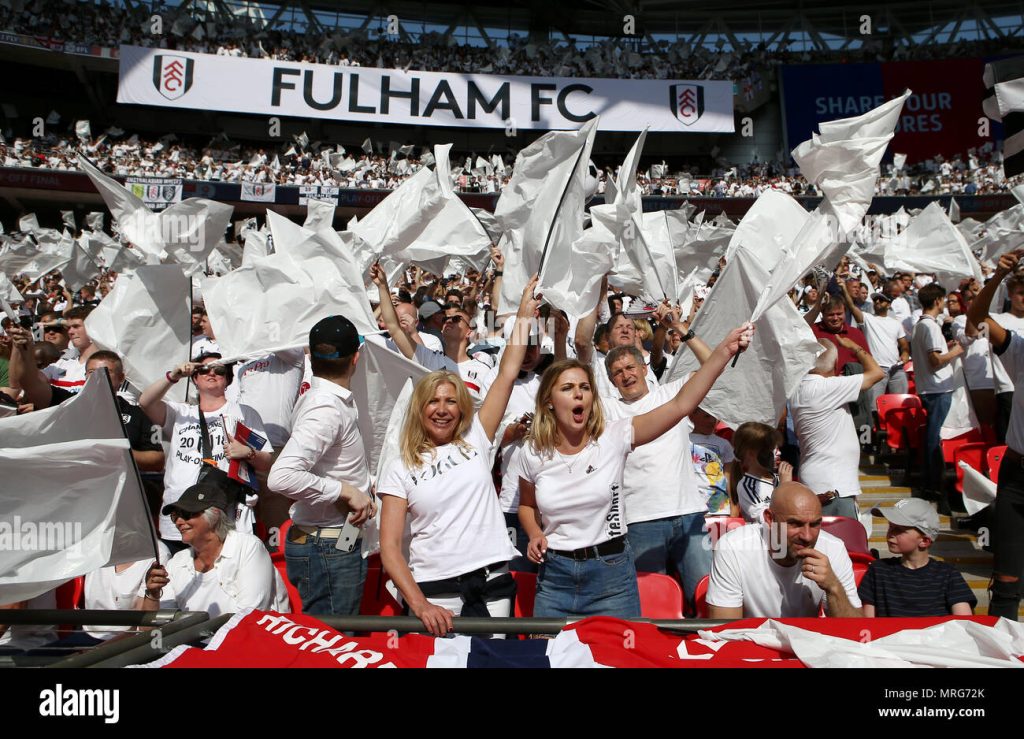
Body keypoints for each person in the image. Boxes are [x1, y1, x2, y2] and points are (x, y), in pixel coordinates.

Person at [517, 323, 754, 619]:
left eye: (585, 388)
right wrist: (535, 532)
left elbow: (683, 404)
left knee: (697, 603)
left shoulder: (613, 434)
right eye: (568, 388)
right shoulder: (534, 451)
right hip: (558, 574)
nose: (578, 394)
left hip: (614, 567)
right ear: (549, 401)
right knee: (550, 656)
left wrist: (725, 348)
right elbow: (526, 504)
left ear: (644, 368)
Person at [376, 276, 540, 636]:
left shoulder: (478, 437)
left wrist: (525, 314)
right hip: (436, 598)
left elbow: (508, 372)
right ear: (419, 409)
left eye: (451, 401)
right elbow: (389, 549)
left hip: (493, 587)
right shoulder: (399, 466)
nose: (442, 409)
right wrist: (419, 604)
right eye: (433, 401)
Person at [266, 315, 376, 616]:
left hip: (332, 538)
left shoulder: (324, 400)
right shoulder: (325, 406)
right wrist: (346, 491)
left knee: (334, 639)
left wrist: (362, 484)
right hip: (327, 543)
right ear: (356, 357)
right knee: (331, 644)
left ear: (311, 358)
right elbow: (282, 477)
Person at [601, 342, 714, 607]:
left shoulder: (671, 393)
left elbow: (713, 366)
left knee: (708, 599)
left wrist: (684, 331)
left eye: (630, 367)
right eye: (618, 372)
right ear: (611, 380)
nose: (626, 375)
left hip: (689, 514)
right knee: (651, 607)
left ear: (644, 368)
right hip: (640, 521)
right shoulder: (606, 409)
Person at [140, 351, 274, 551]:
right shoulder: (181, 412)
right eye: (203, 370)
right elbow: (145, 402)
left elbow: (266, 461)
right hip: (179, 513)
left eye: (219, 370)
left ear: (228, 379)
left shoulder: (244, 413)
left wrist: (247, 452)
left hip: (222, 514)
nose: (211, 373)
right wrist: (174, 375)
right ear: (194, 378)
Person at [966, 251, 1024, 619]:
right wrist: (997, 277)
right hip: (1017, 477)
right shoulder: (1019, 349)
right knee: (1006, 581)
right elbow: (977, 319)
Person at [707, 482, 863, 618]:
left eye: (815, 524)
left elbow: (857, 632)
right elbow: (725, 633)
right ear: (769, 519)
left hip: (807, 648)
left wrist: (833, 587)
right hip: (750, 647)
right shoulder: (733, 547)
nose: (807, 536)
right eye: (795, 524)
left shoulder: (833, 548)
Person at [141, 483, 290, 617]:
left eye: (187, 514)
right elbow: (154, 629)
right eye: (175, 516)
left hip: (246, 642)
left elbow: (250, 615)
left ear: (214, 515)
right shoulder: (177, 562)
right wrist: (153, 595)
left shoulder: (247, 546)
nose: (179, 522)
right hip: (192, 644)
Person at [789, 338, 884, 518]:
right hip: (833, 485)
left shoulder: (798, 388)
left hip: (822, 480)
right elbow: (877, 373)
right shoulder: (827, 387)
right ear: (835, 362)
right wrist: (854, 347)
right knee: (843, 543)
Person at [859, 499, 975, 617]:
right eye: (890, 526)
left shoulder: (947, 574)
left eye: (899, 529)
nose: (891, 533)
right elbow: (868, 624)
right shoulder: (878, 570)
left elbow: (964, 624)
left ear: (924, 541)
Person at [911, 283, 964, 498]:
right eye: (943, 300)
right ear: (937, 301)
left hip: (931, 388)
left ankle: (931, 481)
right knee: (935, 438)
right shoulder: (930, 326)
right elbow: (935, 360)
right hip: (938, 388)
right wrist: (957, 350)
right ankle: (932, 483)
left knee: (934, 436)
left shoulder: (920, 325)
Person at [730, 421, 791, 522]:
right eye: (772, 449)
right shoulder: (747, 486)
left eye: (778, 448)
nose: (779, 452)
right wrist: (785, 488)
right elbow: (766, 520)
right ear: (751, 454)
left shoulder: (780, 478)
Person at [689, 406, 735, 517]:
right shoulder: (684, 441)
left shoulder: (724, 444)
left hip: (720, 507)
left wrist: (733, 507)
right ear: (692, 416)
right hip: (693, 506)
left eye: (715, 417)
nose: (711, 421)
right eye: (706, 416)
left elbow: (729, 477)